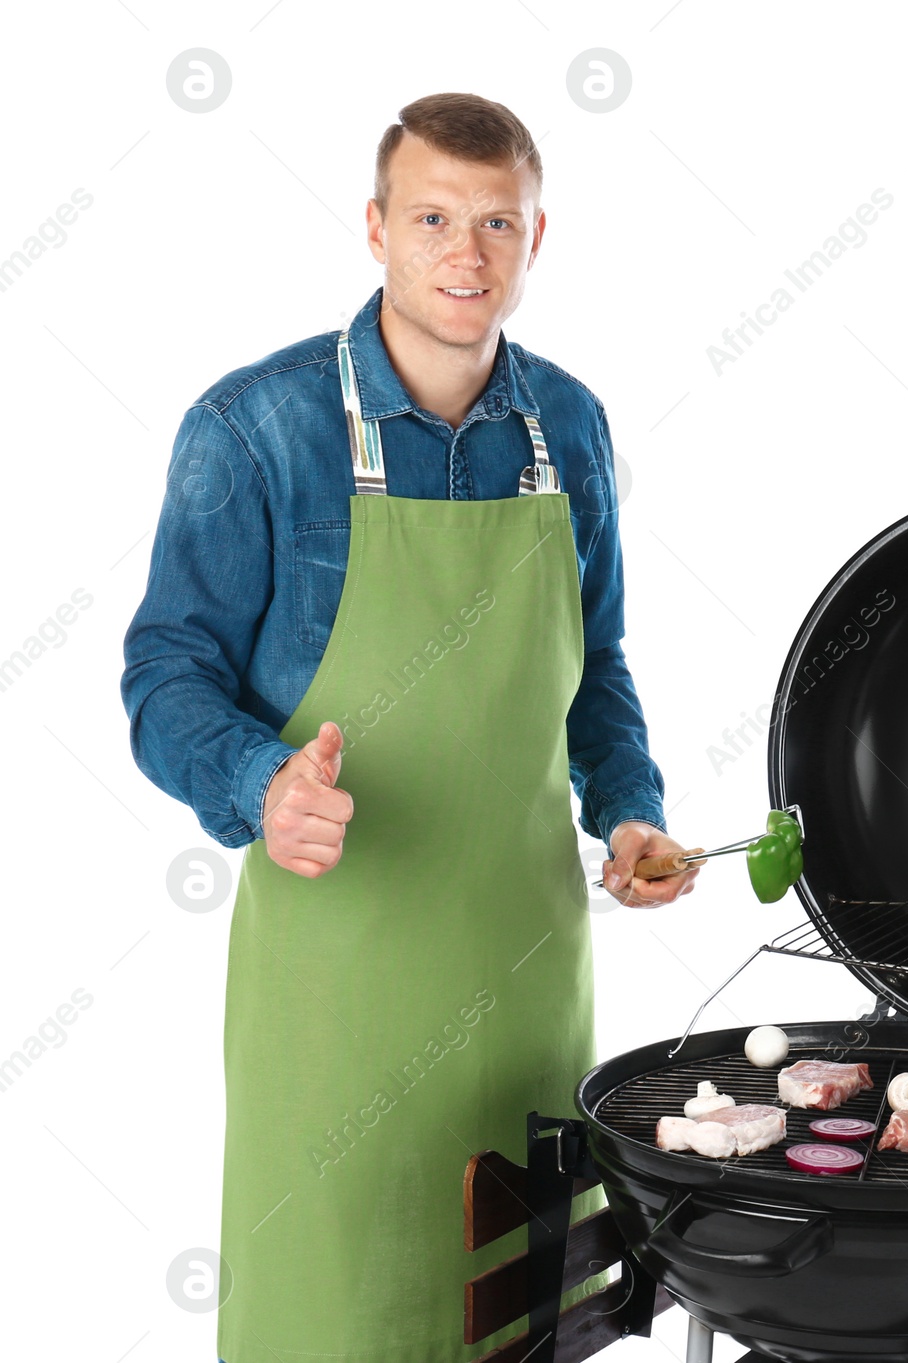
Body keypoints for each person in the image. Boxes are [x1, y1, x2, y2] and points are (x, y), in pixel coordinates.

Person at [120, 91, 699, 1362]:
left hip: (528, 978)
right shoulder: (253, 429)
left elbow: (593, 666)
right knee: (333, 1317)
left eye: (498, 221)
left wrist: (630, 805)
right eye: (434, 216)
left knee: (523, 1320)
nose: (466, 252)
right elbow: (164, 671)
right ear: (376, 227)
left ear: (537, 240)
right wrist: (261, 782)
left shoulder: (574, 429)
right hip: (338, 992)